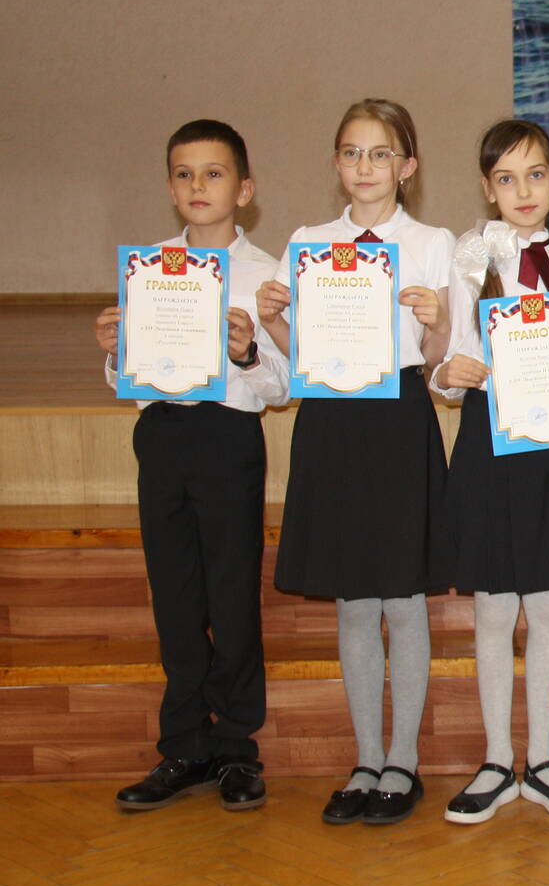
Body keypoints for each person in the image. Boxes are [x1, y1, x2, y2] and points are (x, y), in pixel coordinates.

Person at [255, 98, 455, 825]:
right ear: (337, 164)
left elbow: (439, 363)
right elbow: (297, 358)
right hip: (333, 423)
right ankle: (366, 758)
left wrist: (437, 324)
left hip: (399, 418)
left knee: (402, 598)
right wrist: (275, 319)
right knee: (353, 602)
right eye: (351, 153)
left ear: (407, 166)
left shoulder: (432, 243)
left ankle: (403, 762)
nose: (364, 167)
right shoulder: (308, 242)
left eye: (380, 154)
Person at [97, 119, 287, 813]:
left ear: (245, 189)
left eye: (214, 173)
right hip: (163, 435)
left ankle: (235, 746)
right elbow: (132, 385)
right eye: (184, 174)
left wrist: (246, 352)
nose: (198, 185)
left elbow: (280, 388)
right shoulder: (148, 267)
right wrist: (115, 352)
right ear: (170, 187)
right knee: (174, 596)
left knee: (231, 594)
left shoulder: (268, 274)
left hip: (229, 437)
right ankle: (183, 746)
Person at [432, 119, 549, 823]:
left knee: (546, 607)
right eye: (506, 178)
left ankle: (541, 758)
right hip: (488, 441)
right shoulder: (468, 258)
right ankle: (495, 759)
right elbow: (447, 361)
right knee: (492, 609)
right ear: (488, 188)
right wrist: (451, 372)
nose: (523, 190)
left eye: (536, 174)